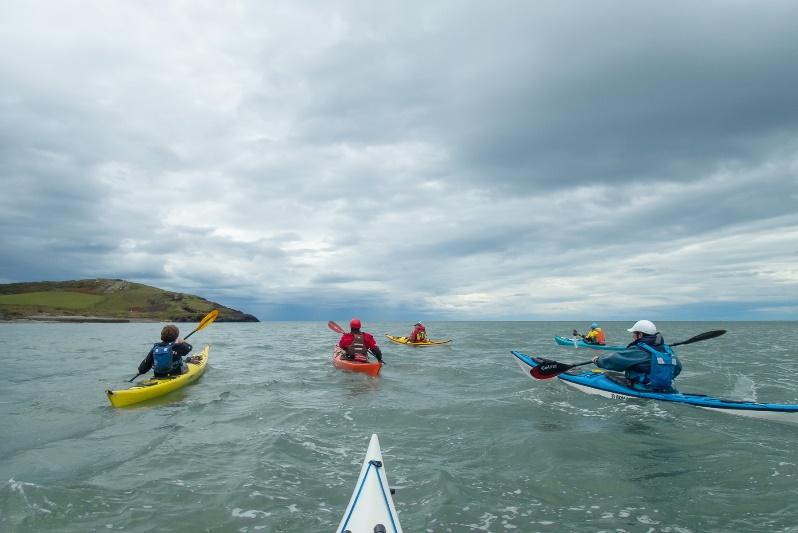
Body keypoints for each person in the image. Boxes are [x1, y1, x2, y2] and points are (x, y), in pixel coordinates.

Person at [591, 320, 681, 391]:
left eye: (634, 333)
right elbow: (678, 368)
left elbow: (615, 361)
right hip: (665, 388)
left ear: (640, 335)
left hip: (641, 388)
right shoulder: (667, 349)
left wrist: (597, 360)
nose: (632, 336)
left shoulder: (638, 350)